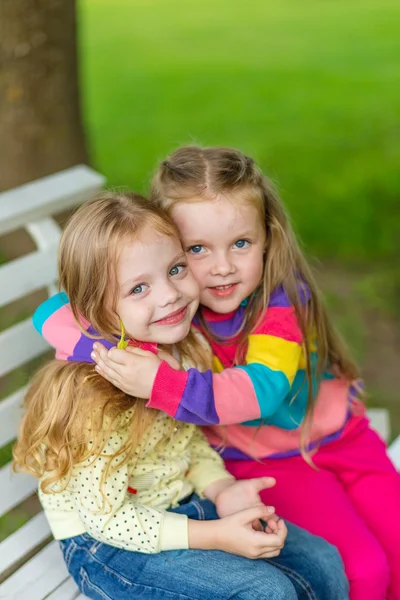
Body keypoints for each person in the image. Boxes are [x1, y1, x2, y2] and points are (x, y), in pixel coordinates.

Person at [90, 147, 400, 600]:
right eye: (197, 249)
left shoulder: (281, 302)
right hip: (263, 461)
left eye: (241, 243)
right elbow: (53, 314)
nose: (222, 267)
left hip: (345, 438)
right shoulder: (170, 309)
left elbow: (263, 391)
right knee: (365, 570)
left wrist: (161, 383)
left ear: (267, 239)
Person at [20, 191, 349, 600]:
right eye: (138, 288)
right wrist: (213, 535)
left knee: (322, 562)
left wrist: (222, 489)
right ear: (96, 308)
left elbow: (186, 443)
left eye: (176, 268)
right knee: (266, 591)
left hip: (184, 505)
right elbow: (106, 520)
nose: (170, 294)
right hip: (108, 544)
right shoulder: (95, 396)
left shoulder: (184, 347)